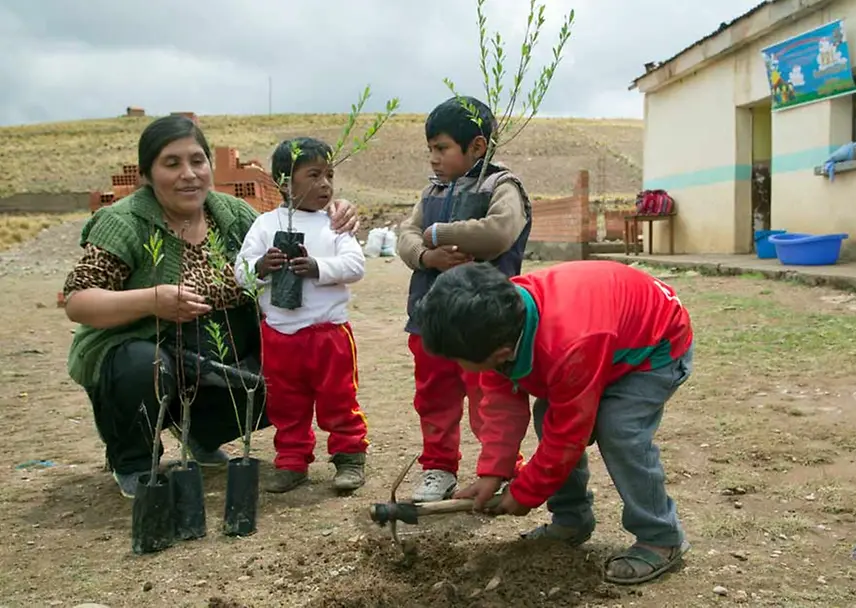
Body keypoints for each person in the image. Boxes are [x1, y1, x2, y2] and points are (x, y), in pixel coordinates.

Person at [62, 115, 360, 499]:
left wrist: (337, 211)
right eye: (172, 164)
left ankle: (203, 435)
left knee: (286, 369)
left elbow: (296, 228)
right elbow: (78, 301)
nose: (189, 174)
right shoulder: (124, 223)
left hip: (208, 357)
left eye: (197, 161)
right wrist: (153, 301)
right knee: (144, 365)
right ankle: (133, 459)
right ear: (147, 175)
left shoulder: (233, 215)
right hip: (143, 355)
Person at [414, 260, 695, 586]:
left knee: (619, 431)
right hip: (598, 341)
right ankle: (572, 520)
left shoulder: (567, 342)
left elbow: (569, 435)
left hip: (652, 347)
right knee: (548, 416)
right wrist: (494, 472)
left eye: (458, 361)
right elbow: (502, 407)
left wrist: (525, 493)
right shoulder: (494, 320)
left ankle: (661, 537)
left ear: (503, 352)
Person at [396, 95, 532, 502]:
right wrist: (426, 256)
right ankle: (438, 469)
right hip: (429, 319)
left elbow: (498, 233)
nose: (434, 159)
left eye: (442, 149)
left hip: (482, 323)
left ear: (476, 146)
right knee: (433, 397)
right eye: (430, 150)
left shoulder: (503, 186)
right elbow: (406, 235)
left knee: (491, 399)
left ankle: (503, 467)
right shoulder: (431, 191)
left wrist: (437, 233)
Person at [235, 137, 369, 494]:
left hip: (329, 335)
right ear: (283, 183)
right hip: (279, 336)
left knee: (339, 399)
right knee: (286, 405)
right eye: (313, 175)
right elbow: (240, 273)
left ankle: (350, 458)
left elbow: (355, 266)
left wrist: (318, 268)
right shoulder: (264, 226)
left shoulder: (335, 224)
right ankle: (292, 463)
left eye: (329, 175)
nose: (325, 184)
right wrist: (261, 266)